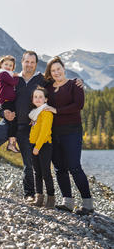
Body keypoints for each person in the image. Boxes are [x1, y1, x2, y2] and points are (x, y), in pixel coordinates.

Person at [0, 51, 83, 203]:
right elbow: (0, 99)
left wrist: (77, 81)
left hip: (30, 127)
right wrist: (3, 111)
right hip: (10, 123)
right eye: (26, 62)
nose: (29, 65)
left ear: (36, 64)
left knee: (29, 163)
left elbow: (59, 82)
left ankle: (29, 193)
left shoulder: (42, 80)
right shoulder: (12, 78)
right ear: (22, 62)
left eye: (32, 62)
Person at [44, 56, 94, 215]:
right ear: (50, 73)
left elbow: (78, 105)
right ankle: (68, 202)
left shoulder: (75, 85)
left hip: (72, 131)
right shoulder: (48, 87)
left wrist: (56, 110)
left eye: (59, 69)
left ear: (64, 69)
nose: (57, 72)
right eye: (53, 70)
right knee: (59, 168)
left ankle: (88, 204)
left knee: (74, 166)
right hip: (53, 133)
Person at [29, 86, 55, 208]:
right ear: (33, 99)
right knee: (37, 172)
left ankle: (51, 199)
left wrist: (37, 147)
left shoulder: (46, 112)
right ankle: (39, 197)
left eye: (41, 97)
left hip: (43, 145)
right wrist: (32, 144)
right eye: (35, 97)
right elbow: (34, 130)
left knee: (45, 173)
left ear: (45, 99)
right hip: (34, 145)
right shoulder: (34, 113)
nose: (38, 99)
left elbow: (44, 132)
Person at [0, 55, 19, 153]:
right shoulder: (3, 73)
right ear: (1, 65)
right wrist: (17, 77)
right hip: (6, 102)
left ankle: (12, 143)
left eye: (11, 65)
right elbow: (13, 83)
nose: (8, 66)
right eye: (6, 64)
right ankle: (11, 144)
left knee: (14, 121)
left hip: (9, 101)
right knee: (13, 121)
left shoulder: (7, 74)